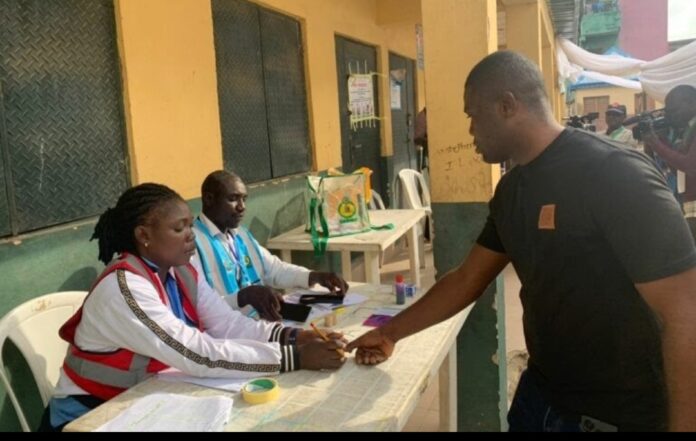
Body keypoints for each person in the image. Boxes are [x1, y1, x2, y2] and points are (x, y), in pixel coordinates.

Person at [345, 51, 696, 431]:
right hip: (539, 396)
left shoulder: (614, 173)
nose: (470, 130)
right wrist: (389, 332)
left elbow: (684, 313)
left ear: (507, 106)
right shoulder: (512, 190)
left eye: (473, 115)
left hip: (612, 414)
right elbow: (466, 279)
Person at [39, 183, 346, 431]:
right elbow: (196, 353)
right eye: (179, 229)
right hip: (92, 416)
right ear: (143, 235)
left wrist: (294, 337)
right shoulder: (124, 289)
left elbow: (227, 324)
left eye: (190, 226)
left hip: (146, 401)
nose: (190, 237)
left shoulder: (181, 270)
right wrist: (294, 357)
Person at [191, 170, 348, 322]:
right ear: (209, 199)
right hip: (227, 330)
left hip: (261, 322)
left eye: (244, 199)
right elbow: (200, 305)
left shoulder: (240, 234)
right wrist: (243, 297)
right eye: (233, 199)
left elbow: (274, 269)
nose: (242, 207)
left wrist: (314, 276)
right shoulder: (193, 244)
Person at [644, 85, 696, 240]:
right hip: (688, 202)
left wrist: (657, 144)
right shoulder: (687, 130)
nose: (671, 115)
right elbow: (678, 169)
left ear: (692, 103)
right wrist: (659, 141)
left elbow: (691, 166)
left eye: (674, 110)